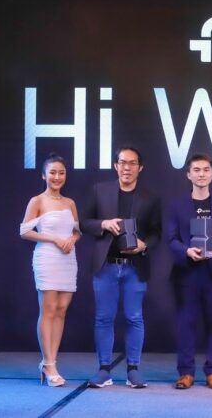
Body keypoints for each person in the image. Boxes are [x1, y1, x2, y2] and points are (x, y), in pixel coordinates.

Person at [81, 146, 162, 389]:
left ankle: (133, 370)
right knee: (103, 318)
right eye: (123, 162)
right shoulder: (100, 190)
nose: (127, 167)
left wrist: (144, 244)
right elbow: (84, 222)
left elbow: (157, 232)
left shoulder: (151, 197)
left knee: (134, 317)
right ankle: (104, 370)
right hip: (106, 265)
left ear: (140, 168)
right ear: (116, 166)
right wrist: (103, 224)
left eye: (132, 163)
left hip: (134, 267)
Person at [165, 152, 212, 390]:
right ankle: (186, 372)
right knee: (186, 324)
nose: (201, 174)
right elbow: (171, 238)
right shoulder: (176, 205)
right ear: (189, 174)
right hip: (187, 272)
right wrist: (186, 251)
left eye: (206, 170)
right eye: (196, 170)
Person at [20, 153, 81, 387]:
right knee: (48, 309)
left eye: (61, 173)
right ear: (44, 175)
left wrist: (72, 239)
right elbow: (24, 231)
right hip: (47, 258)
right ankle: (48, 363)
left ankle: (51, 362)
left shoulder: (70, 203)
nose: (57, 177)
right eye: (52, 172)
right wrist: (54, 239)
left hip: (68, 258)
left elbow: (77, 230)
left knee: (61, 310)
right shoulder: (37, 201)